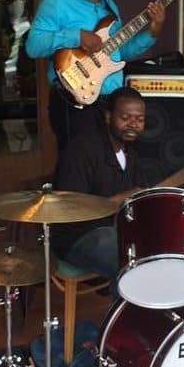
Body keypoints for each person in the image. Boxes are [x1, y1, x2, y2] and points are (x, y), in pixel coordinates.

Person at [26, 0, 165, 150]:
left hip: (110, 102)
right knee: (79, 170)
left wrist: (152, 32)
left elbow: (119, 54)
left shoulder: (108, 5)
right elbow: (33, 46)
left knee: (110, 169)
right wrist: (77, 36)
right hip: (75, 102)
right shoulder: (58, 1)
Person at [51, 87, 151, 297]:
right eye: (125, 117)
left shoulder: (132, 155)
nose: (133, 124)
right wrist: (127, 196)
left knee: (155, 253)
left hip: (115, 232)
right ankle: (125, 324)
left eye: (139, 119)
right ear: (108, 117)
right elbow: (72, 207)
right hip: (77, 237)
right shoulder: (81, 150)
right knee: (131, 264)